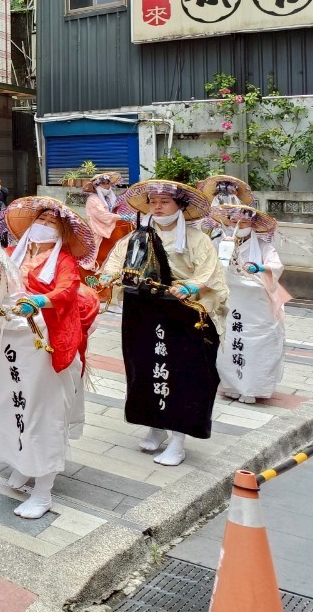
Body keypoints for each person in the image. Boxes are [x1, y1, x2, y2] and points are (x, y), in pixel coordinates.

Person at [0, 197, 97, 519]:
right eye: (40, 220)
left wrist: (39, 300)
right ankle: (21, 462)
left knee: (42, 411)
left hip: (42, 344)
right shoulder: (10, 254)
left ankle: (44, 489)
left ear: (61, 231)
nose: (42, 226)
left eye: (50, 223)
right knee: (9, 403)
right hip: (8, 340)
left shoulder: (63, 261)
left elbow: (66, 291)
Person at [99, 180, 227, 467]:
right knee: (144, 369)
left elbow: (210, 274)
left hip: (182, 314)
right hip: (143, 312)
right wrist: (107, 277)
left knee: (184, 376)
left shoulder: (197, 239)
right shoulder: (135, 237)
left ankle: (178, 440)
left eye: (165, 201)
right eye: (153, 201)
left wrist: (192, 286)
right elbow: (115, 263)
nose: (157, 206)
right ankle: (154, 426)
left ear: (180, 206)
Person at [211, 204, 288, 404]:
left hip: (257, 306)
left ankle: (253, 387)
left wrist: (261, 267)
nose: (239, 225)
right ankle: (231, 384)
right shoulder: (219, 242)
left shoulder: (263, 246)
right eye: (234, 221)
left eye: (244, 221)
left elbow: (276, 266)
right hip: (231, 301)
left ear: (252, 223)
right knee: (229, 341)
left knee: (256, 344)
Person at [81, 172, 130, 274]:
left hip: (112, 228)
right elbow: (102, 215)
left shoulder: (110, 197)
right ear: (96, 185)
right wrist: (121, 217)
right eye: (103, 183)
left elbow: (118, 209)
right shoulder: (92, 199)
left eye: (108, 183)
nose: (107, 186)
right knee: (96, 253)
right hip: (98, 229)